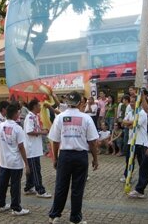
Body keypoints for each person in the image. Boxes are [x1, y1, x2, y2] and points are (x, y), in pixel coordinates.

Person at [48, 91, 99, 224]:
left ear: (68, 102)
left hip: (64, 155)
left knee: (60, 186)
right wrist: (95, 158)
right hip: (80, 156)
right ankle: (75, 218)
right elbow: (92, 142)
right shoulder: (86, 118)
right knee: (77, 189)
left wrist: (55, 158)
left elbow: (55, 140)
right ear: (79, 102)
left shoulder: (60, 117)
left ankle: (54, 216)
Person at [0, 103, 30, 216]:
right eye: (18, 112)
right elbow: (21, 147)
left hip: (4, 161)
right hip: (15, 162)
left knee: (2, 183)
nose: (19, 114)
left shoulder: (1, 126)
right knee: (15, 185)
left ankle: (0, 204)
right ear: (15, 114)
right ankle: (16, 208)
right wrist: (27, 163)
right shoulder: (17, 128)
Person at [23, 99, 51, 198]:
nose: (40, 107)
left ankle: (29, 187)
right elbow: (29, 131)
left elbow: (35, 129)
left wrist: (43, 130)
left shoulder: (34, 117)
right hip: (31, 149)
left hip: (34, 148)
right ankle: (40, 190)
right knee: (36, 170)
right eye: (39, 106)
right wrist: (42, 132)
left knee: (32, 169)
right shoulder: (30, 117)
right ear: (34, 106)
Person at [120, 95, 148, 183]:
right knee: (129, 160)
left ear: (138, 103)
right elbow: (123, 122)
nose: (131, 103)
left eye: (133, 102)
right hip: (131, 141)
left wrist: (129, 124)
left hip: (140, 141)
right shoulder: (130, 112)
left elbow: (134, 126)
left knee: (141, 162)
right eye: (131, 102)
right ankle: (127, 176)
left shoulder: (142, 113)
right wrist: (130, 123)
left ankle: (143, 179)